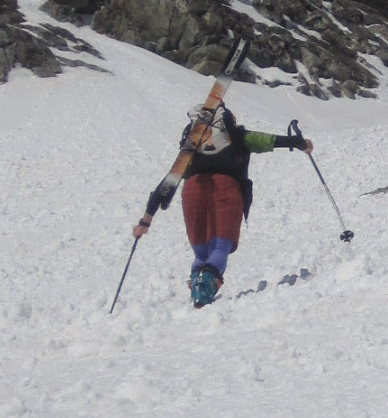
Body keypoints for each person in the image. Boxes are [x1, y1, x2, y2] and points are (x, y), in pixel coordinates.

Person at [131, 105, 311, 307]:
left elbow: (167, 183)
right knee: (220, 246)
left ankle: (198, 286)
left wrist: (145, 220)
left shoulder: (191, 148)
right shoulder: (238, 136)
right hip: (226, 187)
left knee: (201, 252)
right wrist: (299, 143)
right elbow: (267, 140)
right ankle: (205, 288)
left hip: (192, 190)